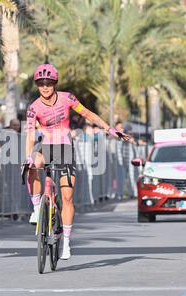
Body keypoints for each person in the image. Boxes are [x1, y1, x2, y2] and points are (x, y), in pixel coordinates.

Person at [24, 63, 130, 260]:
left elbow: (88, 114)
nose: (45, 87)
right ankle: (37, 208)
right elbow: (30, 134)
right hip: (46, 147)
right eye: (40, 83)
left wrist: (109, 129)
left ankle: (66, 242)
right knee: (30, 165)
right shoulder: (33, 108)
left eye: (49, 83)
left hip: (65, 148)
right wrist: (28, 154)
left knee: (67, 197)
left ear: (55, 83)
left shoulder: (67, 98)